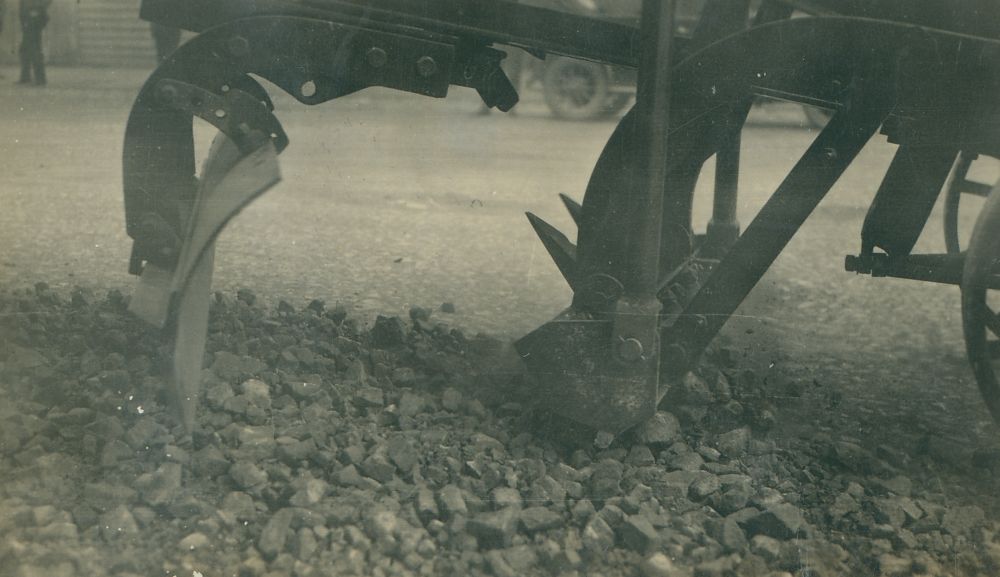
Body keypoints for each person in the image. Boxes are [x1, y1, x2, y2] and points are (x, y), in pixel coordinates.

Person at [17, 0, 50, 86]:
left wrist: (38, 9)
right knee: (24, 49)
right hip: (27, 17)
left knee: (35, 49)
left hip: (35, 19)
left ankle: (40, 79)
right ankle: (26, 76)